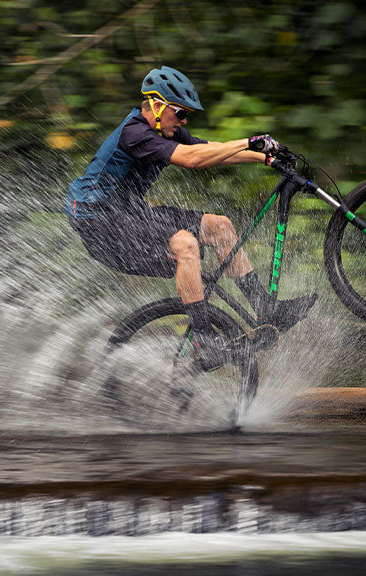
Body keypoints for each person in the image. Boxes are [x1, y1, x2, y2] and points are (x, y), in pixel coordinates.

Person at [65, 66, 316, 370]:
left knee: (220, 226)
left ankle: (265, 309)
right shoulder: (134, 133)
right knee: (186, 245)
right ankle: (204, 338)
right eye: (180, 113)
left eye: (186, 116)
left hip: (130, 213)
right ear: (156, 106)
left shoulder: (162, 128)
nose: (184, 121)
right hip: (101, 227)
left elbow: (207, 149)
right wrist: (250, 142)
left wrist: (267, 157)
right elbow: (191, 160)